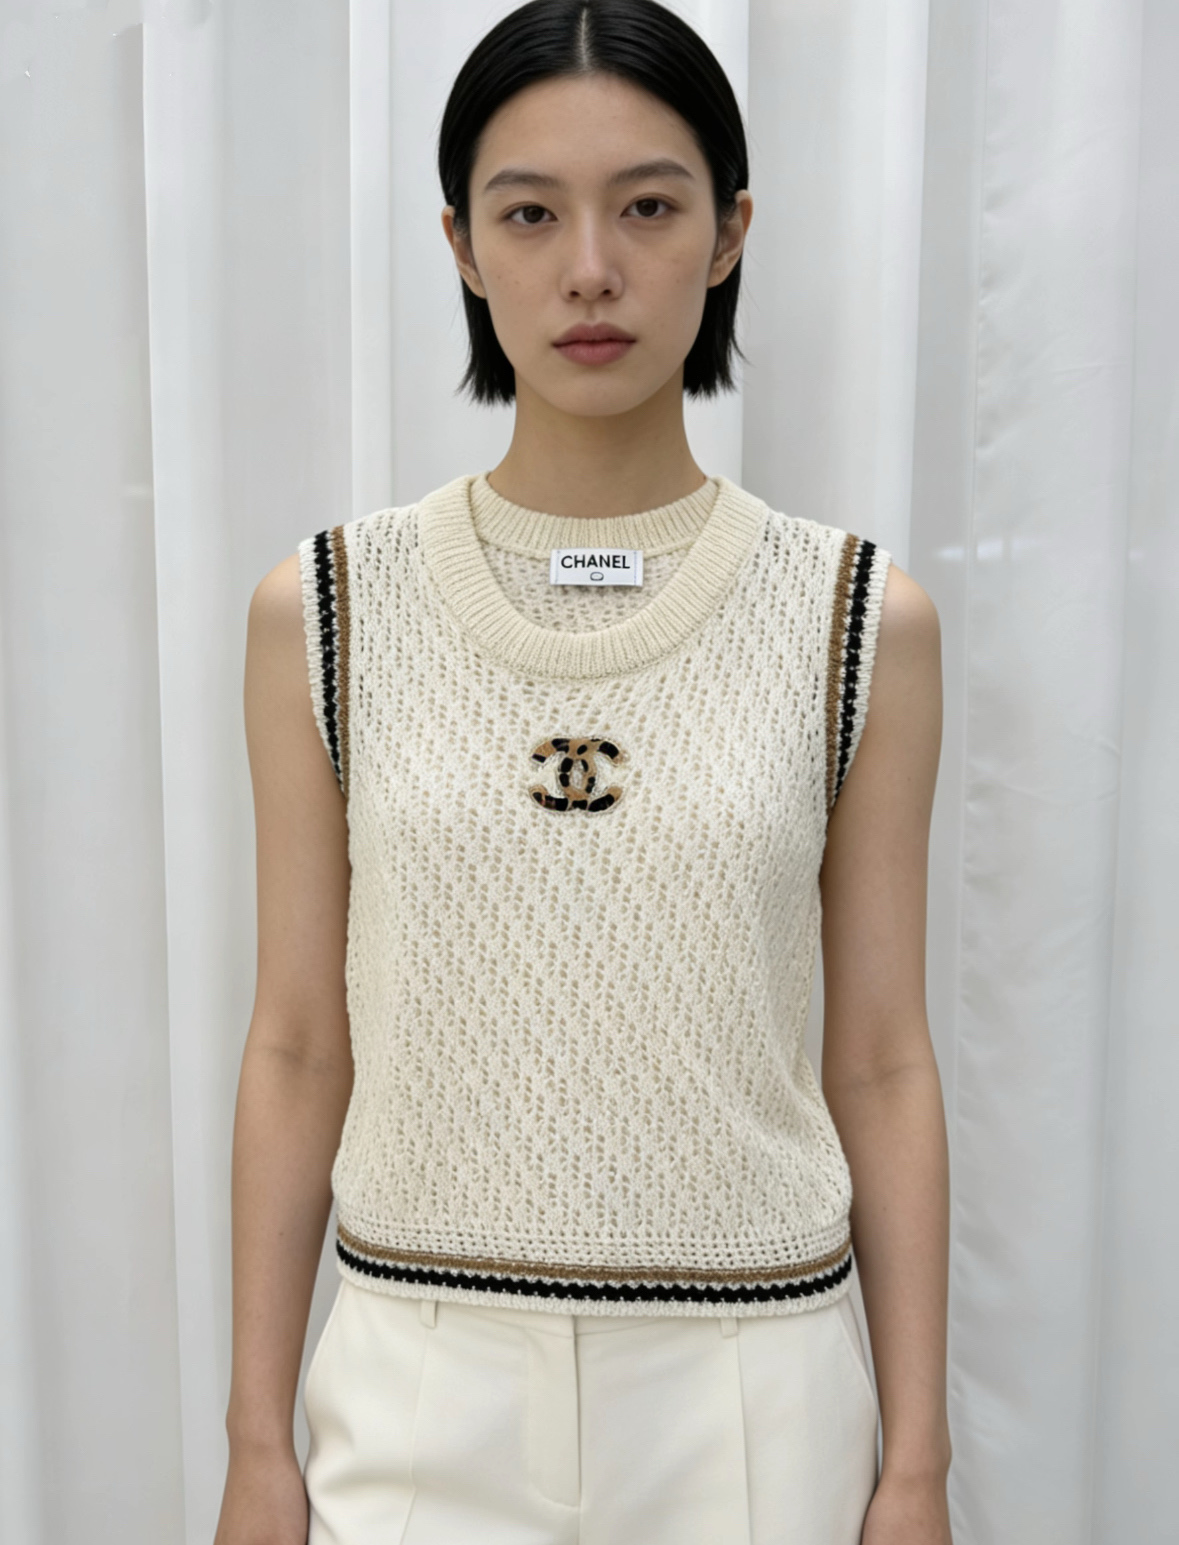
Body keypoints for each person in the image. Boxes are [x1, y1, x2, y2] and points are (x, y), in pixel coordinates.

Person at [213, 2, 952, 1542]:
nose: (592, 268)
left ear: (730, 231)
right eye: (531, 213)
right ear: (463, 245)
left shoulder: (854, 619)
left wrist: (917, 1466)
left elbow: (882, 1058)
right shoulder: (329, 610)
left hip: (754, 1390)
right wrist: (255, 1443)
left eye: (650, 207)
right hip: (417, 1384)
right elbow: (294, 1044)